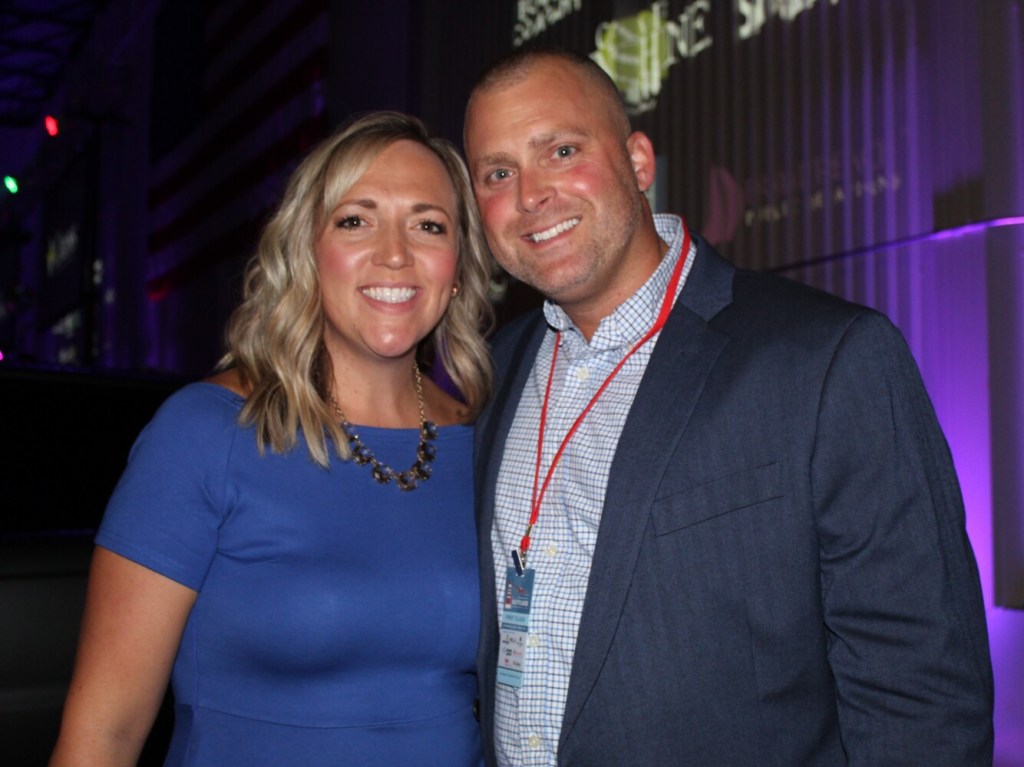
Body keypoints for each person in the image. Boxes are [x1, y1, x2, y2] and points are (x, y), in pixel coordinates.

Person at [463, 48, 993, 766]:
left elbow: (923, 697)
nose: (531, 194)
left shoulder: (828, 360)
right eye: (498, 173)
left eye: (561, 150)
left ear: (638, 161)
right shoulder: (493, 369)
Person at [50, 111, 493, 767]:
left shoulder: (487, 442)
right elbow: (102, 736)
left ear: (457, 268)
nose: (395, 253)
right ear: (306, 253)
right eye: (355, 220)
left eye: (429, 225)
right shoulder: (206, 434)